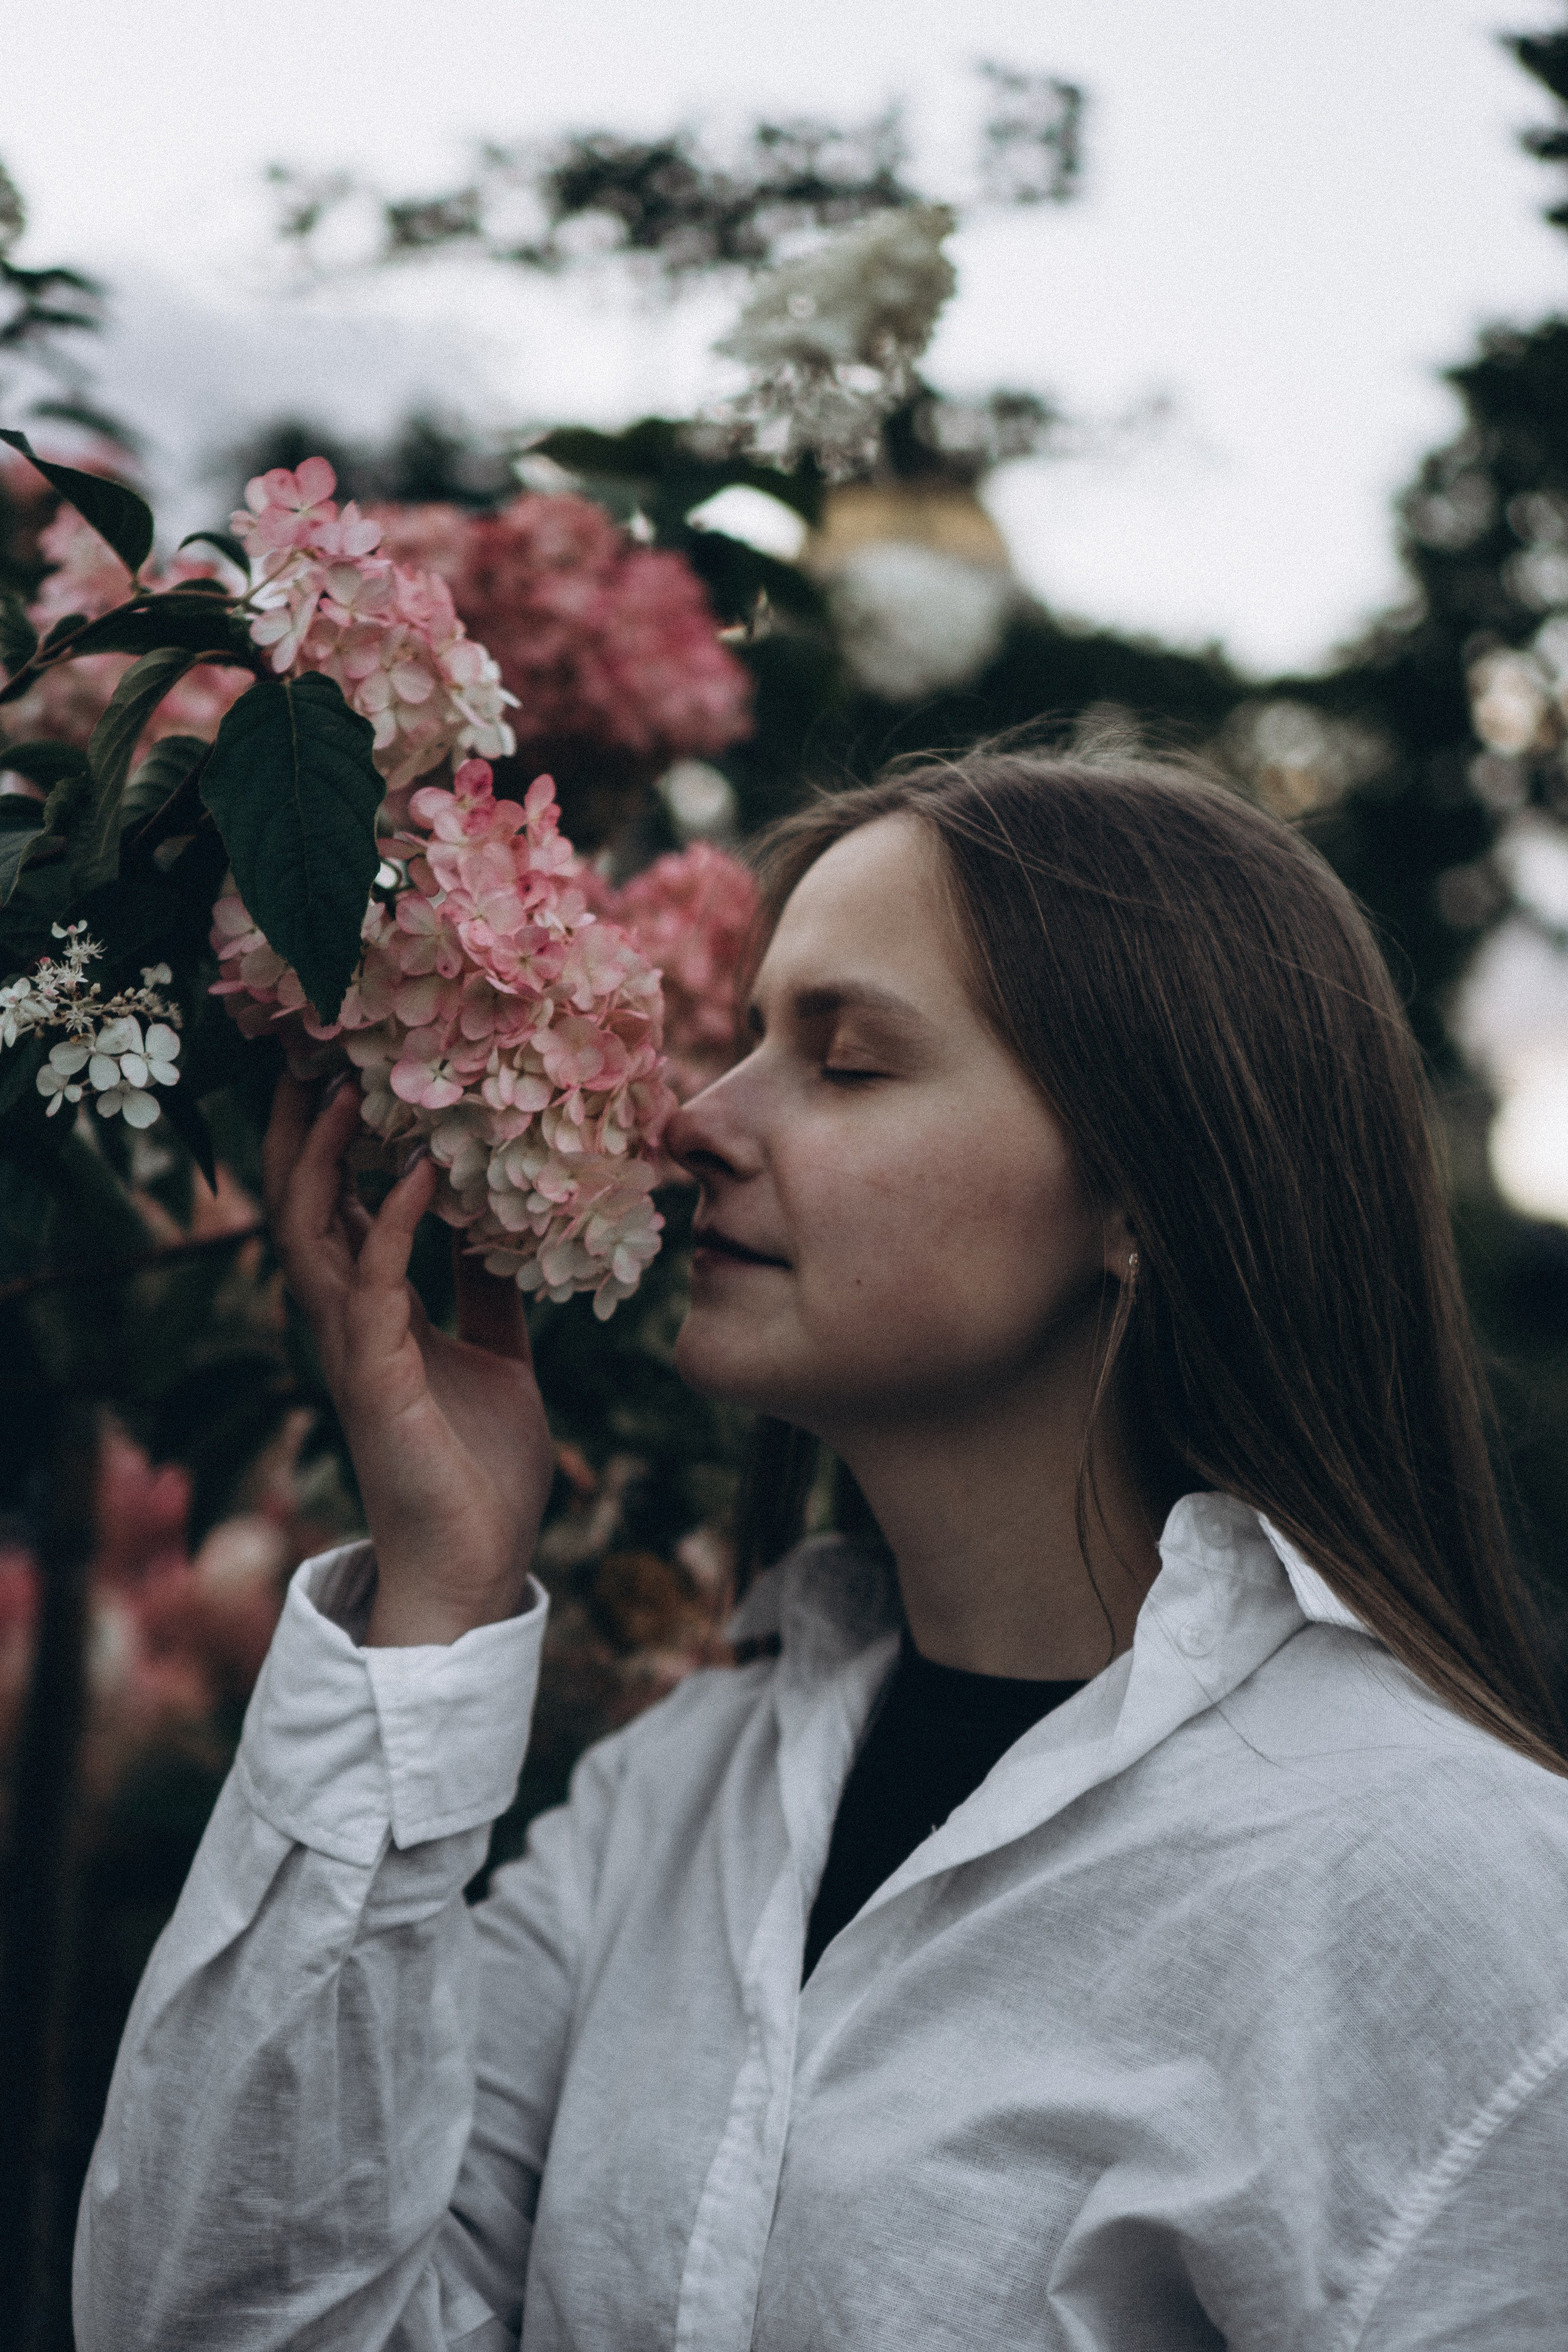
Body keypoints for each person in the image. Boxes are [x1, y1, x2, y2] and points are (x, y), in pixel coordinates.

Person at [75, 744, 1568, 2349]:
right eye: (745, 1045)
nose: (698, 1123)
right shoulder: (675, 1799)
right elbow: (229, 2319)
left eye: (847, 1062)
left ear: (1142, 1197)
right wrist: (434, 1594)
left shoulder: (1447, 1897)